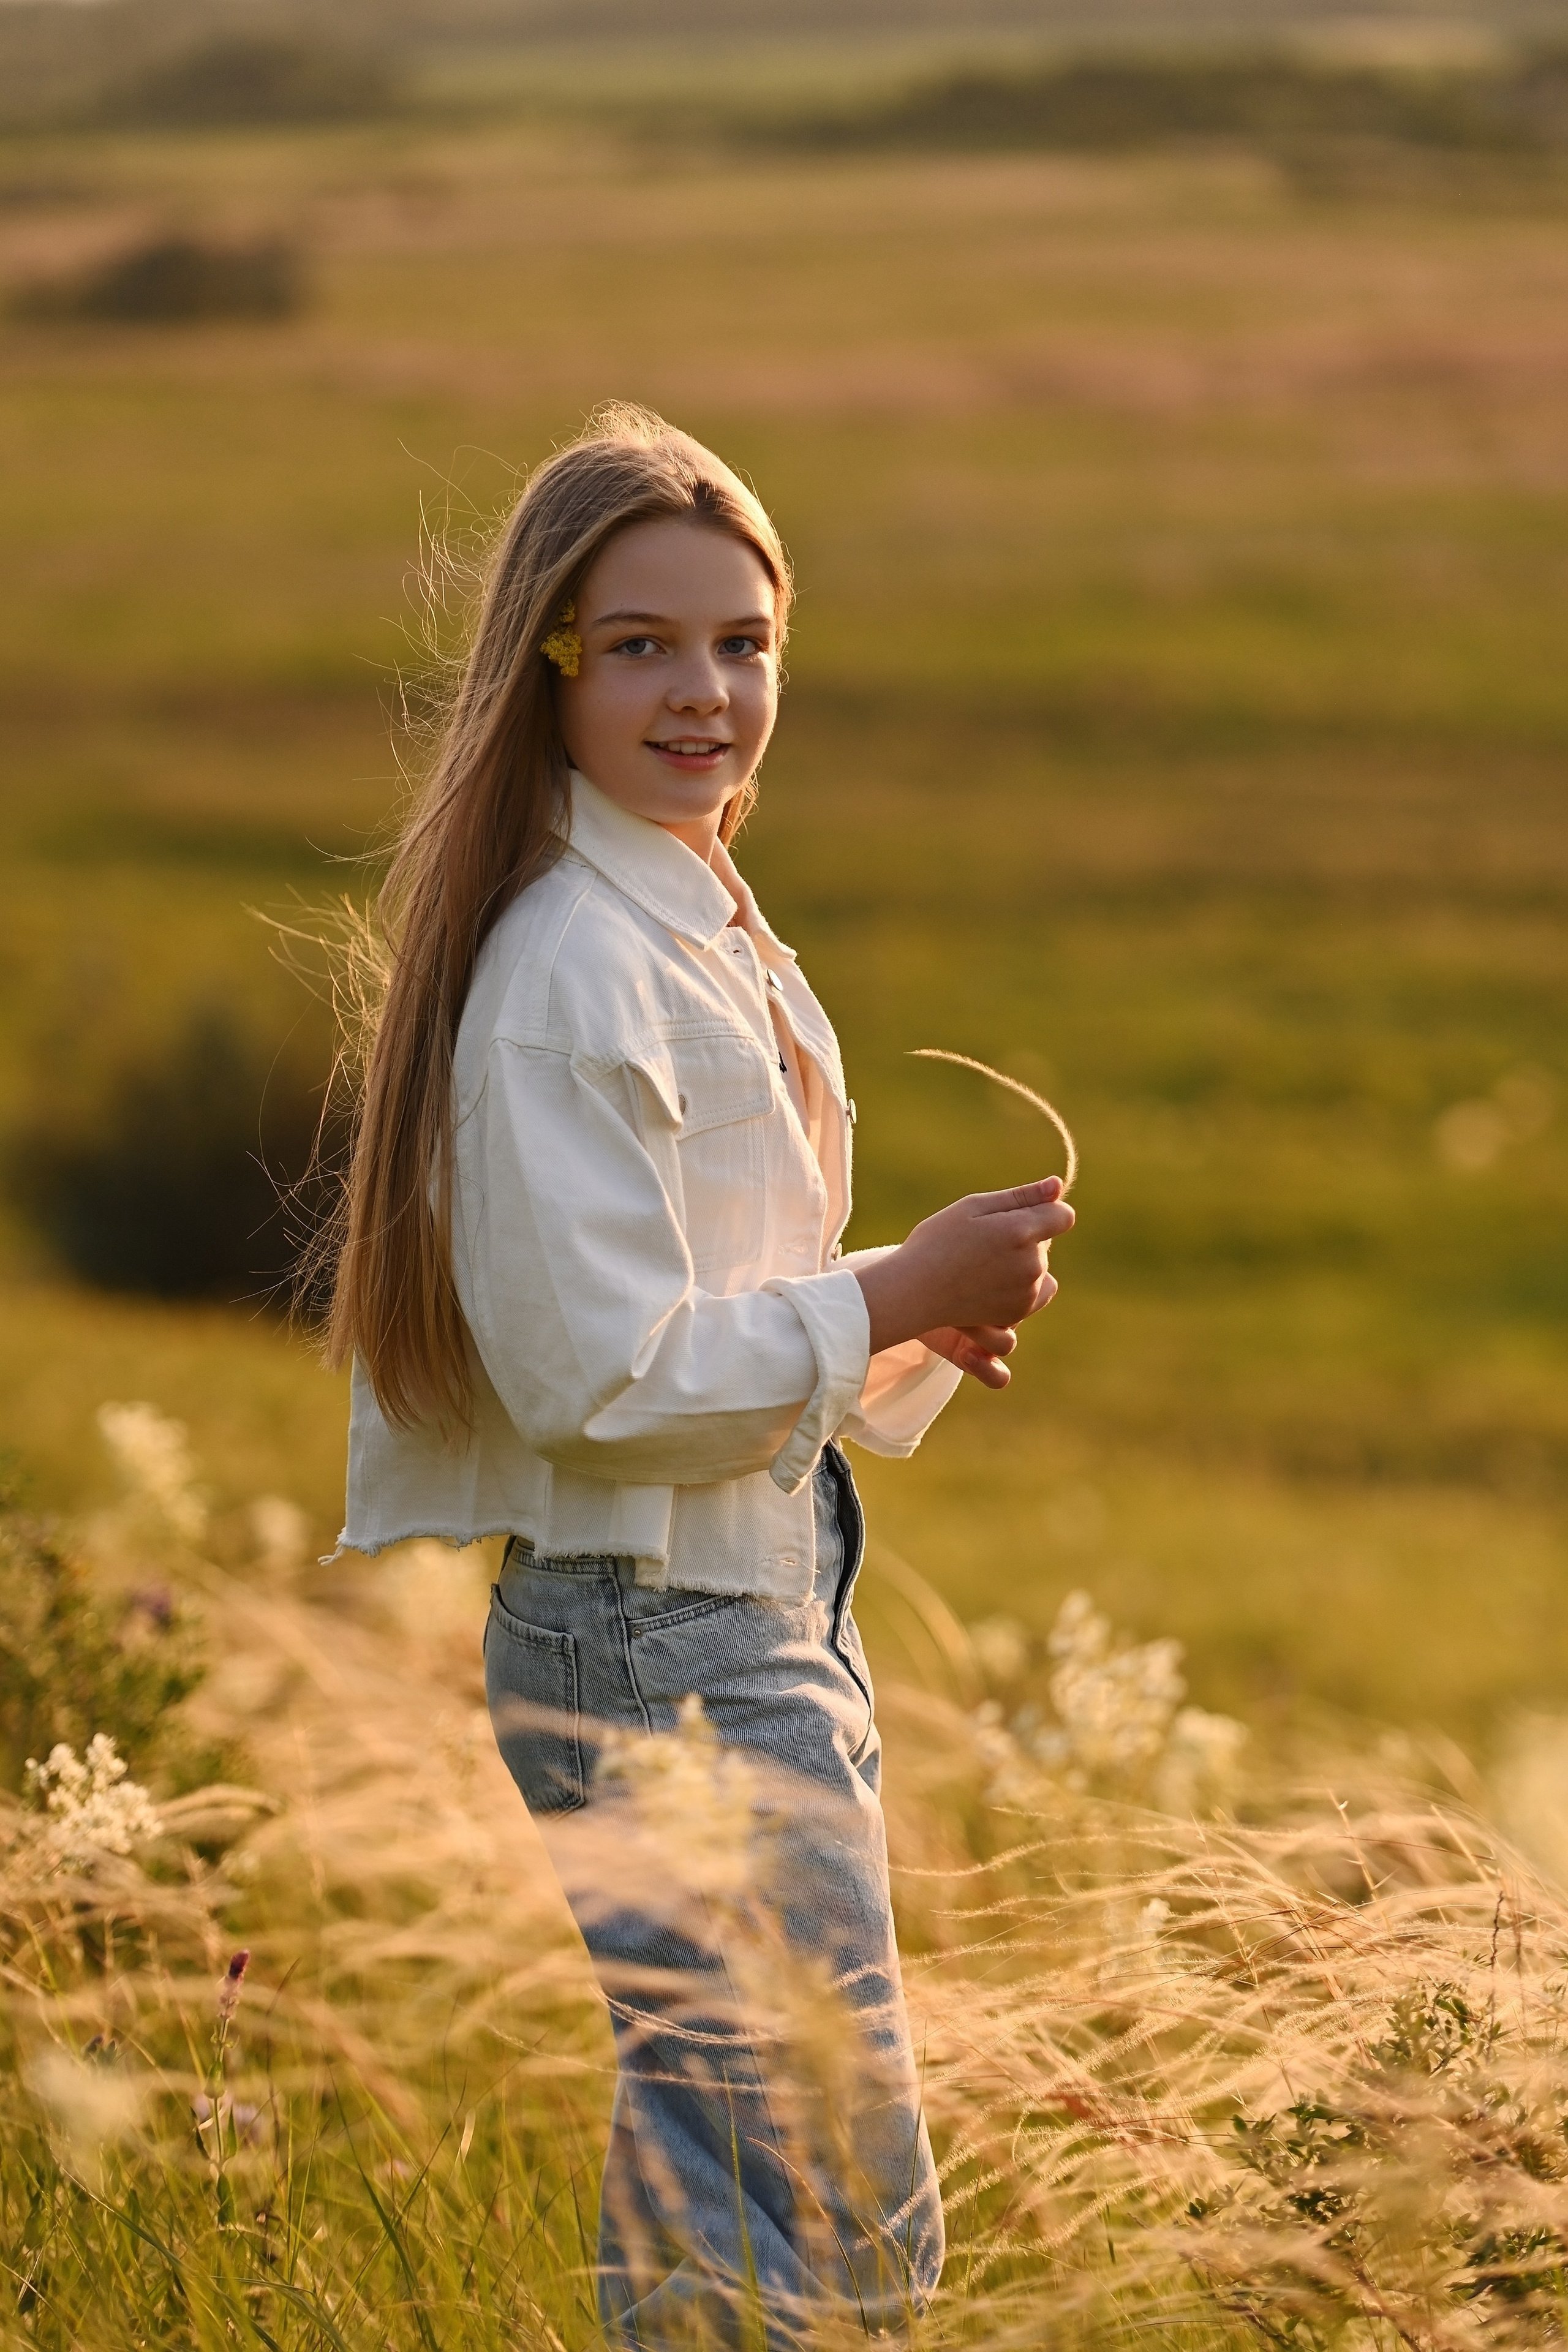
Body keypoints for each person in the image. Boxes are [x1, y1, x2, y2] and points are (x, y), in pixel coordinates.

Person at [328, 405, 1074, 2346]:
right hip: (667, 1639)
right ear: (546, 666)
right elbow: (599, 1380)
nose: (705, 690)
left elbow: (682, 1295)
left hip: (728, 1601)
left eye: (743, 644)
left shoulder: (683, 911)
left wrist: (896, 1317)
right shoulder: (579, 961)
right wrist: (891, 1279)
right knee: (815, 2214)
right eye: (641, 642)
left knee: (732, 2189)